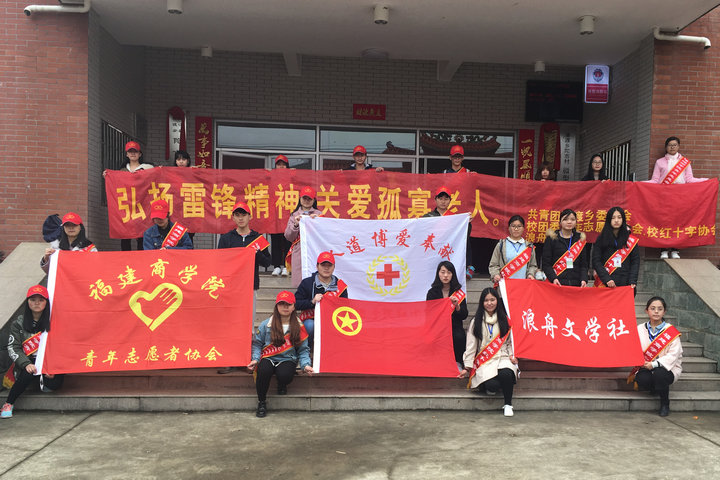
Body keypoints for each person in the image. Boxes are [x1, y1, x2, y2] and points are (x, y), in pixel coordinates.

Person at [217, 201, 272, 374]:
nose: (240, 218)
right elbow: (219, 262)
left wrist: (257, 254)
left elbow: (268, 262)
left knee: (248, 324)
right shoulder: (226, 238)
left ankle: (246, 359)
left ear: (250, 217)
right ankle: (230, 359)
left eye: (243, 215)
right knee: (230, 323)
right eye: (237, 215)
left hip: (250, 287)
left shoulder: (258, 239)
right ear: (233, 218)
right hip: (231, 288)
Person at [247, 290, 313, 418]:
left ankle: (282, 383)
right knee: (263, 371)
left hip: (287, 358)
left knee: (285, 376)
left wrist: (305, 365)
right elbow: (257, 344)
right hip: (269, 357)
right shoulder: (266, 324)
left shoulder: (299, 326)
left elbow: (303, 350)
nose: (285, 307)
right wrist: (255, 359)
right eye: (282, 304)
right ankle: (261, 402)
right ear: (277, 306)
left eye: (288, 304)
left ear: (294, 307)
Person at [2, 285, 64, 419]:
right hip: (28, 363)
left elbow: (61, 347)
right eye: (33, 299)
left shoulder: (54, 322)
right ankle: (8, 403)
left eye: (41, 300)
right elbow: (13, 347)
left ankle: (43, 381)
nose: (37, 303)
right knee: (27, 373)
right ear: (28, 302)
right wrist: (25, 363)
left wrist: (53, 366)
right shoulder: (18, 323)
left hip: (48, 362)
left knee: (53, 384)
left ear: (46, 302)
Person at [458, 287, 518, 417]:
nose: (489, 303)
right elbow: (471, 346)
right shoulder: (476, 321)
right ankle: (493, 384)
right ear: (482, 302)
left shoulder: (505, 320)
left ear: (497, 301)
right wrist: (467, 367)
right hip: (485, 360)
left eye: (492, 300)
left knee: (507, 373)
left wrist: (512, 355)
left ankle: (508, 404)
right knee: (492, 385)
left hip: (502, 356)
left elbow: (509, 343)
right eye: (486, 300)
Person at [648, 136, 709, 259]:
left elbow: (689, 179)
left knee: (678, 222)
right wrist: (639, 183)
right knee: (664, 221)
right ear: (666, 147)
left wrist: (706, 180)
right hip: (664, 195)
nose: (672, 147)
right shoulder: (660, 162)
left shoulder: (684, 162)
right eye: (670, 145)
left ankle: (675, 249)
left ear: (678, 146)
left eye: (675, 145)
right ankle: (663, 249)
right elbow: (655, 180)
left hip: (680, 195)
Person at [629, 296, 682, 417]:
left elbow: (674, 354)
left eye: (660, 309)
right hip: (645, 366)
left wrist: (654, 364)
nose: (656, 311)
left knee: (659, 374)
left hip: (667, 368)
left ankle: (665, 403)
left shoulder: (670, 331)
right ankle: (655, 388)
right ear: (647, 311)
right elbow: (633, 347)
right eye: (653, 308)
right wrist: (641, 361)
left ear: (664, 312)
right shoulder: (640, 329)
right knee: (641, 379)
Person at [103, 141, 154, 251]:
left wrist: (160, 170)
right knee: (125, 235)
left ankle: (141, 258)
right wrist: (108, 177)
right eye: (130, 152)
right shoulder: (122, 171)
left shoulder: (147, 168)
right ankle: (126, 259)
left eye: (135, 151)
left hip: (141, 206)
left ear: (140, 154)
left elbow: (157, 177)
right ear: (127, 154)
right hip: (127, 206)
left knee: (142, 234)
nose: (133, 154)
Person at [294, 251, 348, 350]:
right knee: (309, 326)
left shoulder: (340, 285)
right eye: (323, 265)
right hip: (312, 319)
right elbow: (295, 304)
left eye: (329, 265)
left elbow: (345, 307)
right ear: (317, 266)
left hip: (333, 320)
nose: (326, 268)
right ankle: (306, 351)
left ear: (334, 267)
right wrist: (312, 302)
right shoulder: (307, 283)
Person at [423, 186, 474, 279]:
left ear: (450, 201)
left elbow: (463, 235)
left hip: (449, 249)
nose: (443, 201)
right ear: (435, 200)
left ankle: (468, 266)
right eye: (440, 199)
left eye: (446, 199)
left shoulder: (455, 217)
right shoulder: (428, 217)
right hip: (434, 250)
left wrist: (467, 223)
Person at [425, 261, 468, 370]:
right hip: (437, 326)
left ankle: (457, 362)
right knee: (430, 339)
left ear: (453, 274)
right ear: (438, 274)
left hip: (454, 326)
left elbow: (464, 315)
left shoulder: (458, 292)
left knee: (459, 337)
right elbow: (428, 313)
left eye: (449, 272)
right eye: (443, 272)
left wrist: (457, 306)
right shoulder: (432, 292)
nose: (445, 275)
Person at [591, 207, 639, 290]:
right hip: (606, 283)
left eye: (619, 217)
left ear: (623, 219)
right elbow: (596, 261)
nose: (616, 220)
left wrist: (632, 280)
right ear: (608, 220)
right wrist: (607, 279)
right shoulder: (601, 239)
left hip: (625, 284)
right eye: (613, 218)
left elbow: (635, 262)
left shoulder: (630, 240)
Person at [284, 186, 323, 288]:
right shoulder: (294, 215)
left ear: (314, 200)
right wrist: (295, 225)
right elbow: (288, 236)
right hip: (299, 251)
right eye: (304, 198)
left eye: (309, 198)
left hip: (315, 250)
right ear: (300, 199)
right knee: (299, 282)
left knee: (316, 279)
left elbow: (324, 234)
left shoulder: (319, 214)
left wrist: (318, 222)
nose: (306, 201)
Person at [542, 209, 588, 287]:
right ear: (560, 222)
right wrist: (553, 278)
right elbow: (546, 264)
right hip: (557, 283)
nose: (569, 222)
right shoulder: (552, 239)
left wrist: (584, 279)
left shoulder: (580, 239)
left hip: (576, 283)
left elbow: (584, 265)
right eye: (565, 219)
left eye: (572, 219)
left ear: (576, 222)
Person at [488, 215, 538, 286]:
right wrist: (495, 274)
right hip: (506, 286)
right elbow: (493, 265)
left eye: (519, 226)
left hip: (523, 285)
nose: (516, 229)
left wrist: (530, 274)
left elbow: (533, 265)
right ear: (509, 228)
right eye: (513, 226)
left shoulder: (529, 246)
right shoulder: (501, 245)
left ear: (523, 228)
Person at [270, 155, 291, 276]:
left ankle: (286, 266)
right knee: (276, 241)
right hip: (275, 216)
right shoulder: (271, 179)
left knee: (287, 241)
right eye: (279, 164)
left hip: (288, 215)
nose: (281, 167)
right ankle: (276, 266)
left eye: (283, 165)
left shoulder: (291, 178)